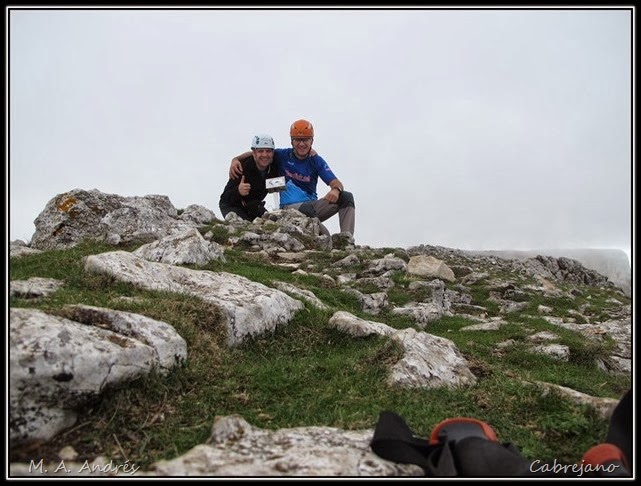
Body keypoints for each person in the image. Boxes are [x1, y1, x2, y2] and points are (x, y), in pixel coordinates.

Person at [229, 119, 355, 238]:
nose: (301, 144)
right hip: (289, 208)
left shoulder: (316, 160)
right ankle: (325, 237)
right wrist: (236, 159)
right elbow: (260, 153)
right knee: (319, 228)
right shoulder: (283, 155)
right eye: (297, 140)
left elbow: (336, 182)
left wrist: (336, 190)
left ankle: (346, 238)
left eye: (306, 140)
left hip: (313, 207)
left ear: (312, 141)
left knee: (346, 197)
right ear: (292, 141)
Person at [219, 134, 279, 221]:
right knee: (244, 226)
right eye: (260, 151)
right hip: (233, 206)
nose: (265, 155)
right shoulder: (241, 167)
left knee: (268, 222)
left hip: (253, 204)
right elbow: (225, 198)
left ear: (273, 152)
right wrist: (238, 191)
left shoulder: (274, 164)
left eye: (268, 151)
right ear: (254, 153)